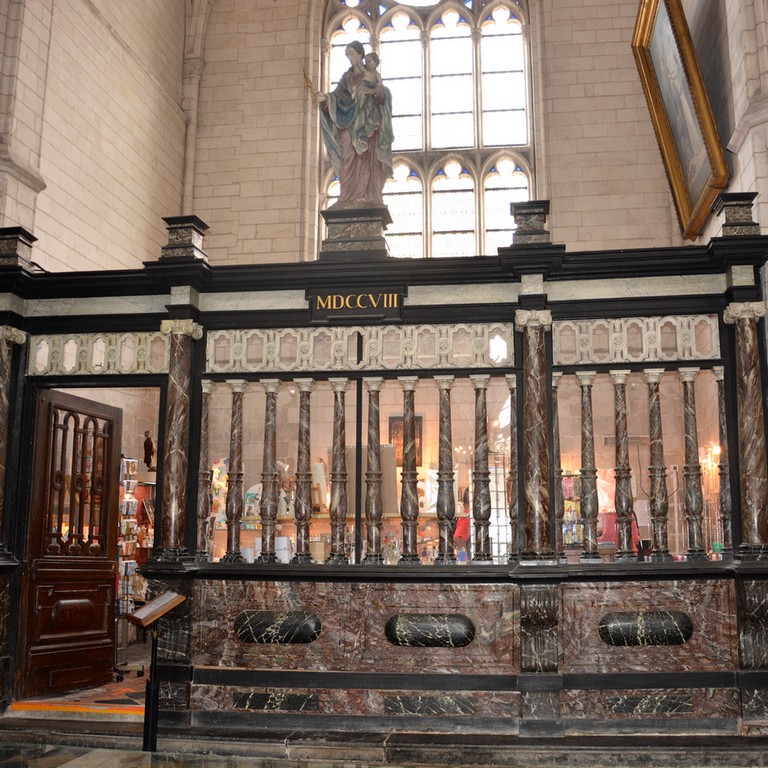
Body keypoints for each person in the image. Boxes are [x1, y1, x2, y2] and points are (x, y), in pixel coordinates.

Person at [317, 41, 394, 207]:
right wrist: (325, 100)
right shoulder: (347, 78)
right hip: (350, 123)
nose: (350, 58)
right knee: (348, 157)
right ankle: (348, 196)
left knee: (369, 159)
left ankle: (369, 197)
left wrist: (374, 92)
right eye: (348, 55)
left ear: (360, 54)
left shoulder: (372, 74)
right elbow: (337, 97)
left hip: (369, 124)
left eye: (352, 54)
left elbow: (383, 94)